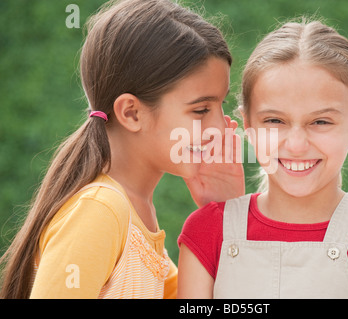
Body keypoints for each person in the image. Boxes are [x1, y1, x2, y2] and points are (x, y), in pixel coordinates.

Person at [0, 0, 244, 299]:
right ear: (131, 113)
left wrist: (223, 215)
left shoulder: (135, 215)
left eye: (222, 105)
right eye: (201, 109)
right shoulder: (100, 211)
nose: (220, 127)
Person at [177, 19, 348, 299]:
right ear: (248, 125)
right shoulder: (207, 231)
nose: (296, 145)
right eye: (275, 120)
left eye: (321, 121)